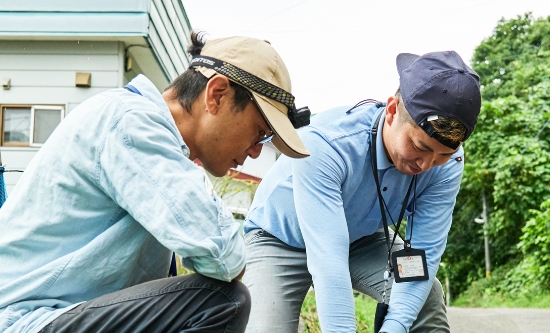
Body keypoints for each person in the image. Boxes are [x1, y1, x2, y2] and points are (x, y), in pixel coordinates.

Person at [0, 31, 310, 333]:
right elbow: (224, 256)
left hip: (54, 315)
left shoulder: (148, 135)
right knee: (222, 301)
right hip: (26, 319)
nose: (256, 152)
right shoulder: (132, 124)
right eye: (258, 131)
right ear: (216, 94)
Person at [242, 51, 481, 333]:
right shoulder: (326, 143)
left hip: (362, 238)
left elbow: (423, 253)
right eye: (420, 147)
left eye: (442, 154)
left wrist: (395, 326)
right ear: (392, 110)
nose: (426, 165)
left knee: (424, 297)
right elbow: (328, 261)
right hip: (279, 238)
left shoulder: (449, 163)